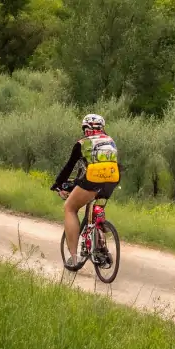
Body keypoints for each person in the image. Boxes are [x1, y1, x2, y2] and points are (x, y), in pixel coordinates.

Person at [51, 113, 120, 269]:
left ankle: (74, 259)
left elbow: (69, 167)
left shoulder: (82, 143)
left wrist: (58, 184)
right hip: (112, 180)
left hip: (92, 181)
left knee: (70, 208)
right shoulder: (110, 141)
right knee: (97, 209)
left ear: (86, 129)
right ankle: (99, 241)